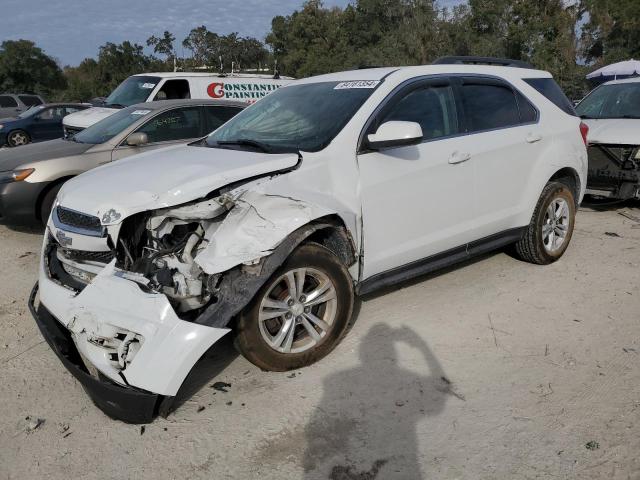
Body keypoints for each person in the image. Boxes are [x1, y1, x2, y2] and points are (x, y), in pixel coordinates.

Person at [304, 324, 453, 479]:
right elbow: (441, 390)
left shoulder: (338, 379)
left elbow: (316, 428)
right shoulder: (406, 379)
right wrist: (422, 347)